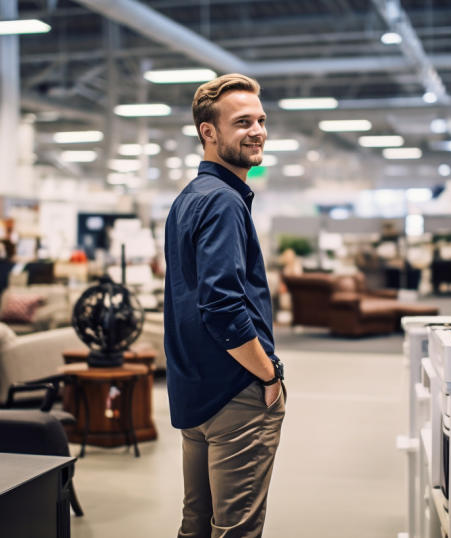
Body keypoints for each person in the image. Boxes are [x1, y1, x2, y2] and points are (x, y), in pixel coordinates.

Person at [163, 73, 286, 538]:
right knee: (237, 529)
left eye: (260, 119)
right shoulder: (224, 203)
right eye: (242, 122)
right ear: (208, 133)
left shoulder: (189, 199)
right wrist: (267, 373)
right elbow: (221, 306)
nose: (257, 130)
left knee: (196, 522)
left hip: (196, 392)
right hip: (235, 393)